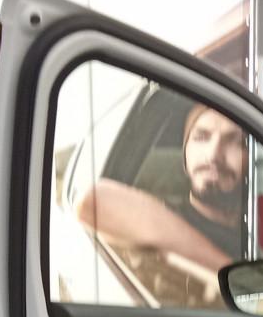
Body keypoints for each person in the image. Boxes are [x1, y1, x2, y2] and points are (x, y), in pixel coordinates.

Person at [76, 103, 246, 271]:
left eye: (235, 142)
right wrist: (230, 275)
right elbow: (93, 201)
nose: (213, 155)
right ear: (185, 156)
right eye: (201, 137)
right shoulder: (165, 215)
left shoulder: (255, 234)